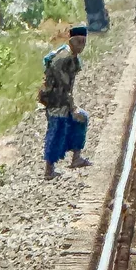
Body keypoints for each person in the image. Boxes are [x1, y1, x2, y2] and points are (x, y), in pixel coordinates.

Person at [39, 25, 91, 179]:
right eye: (78, 41)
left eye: (83, 42)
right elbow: (63, 85)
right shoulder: (64, 57)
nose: (81, 45)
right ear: (71, 41)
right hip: (55, 101)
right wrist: (72, 107)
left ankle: (76, 157)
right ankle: (49, 169)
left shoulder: (72, 57)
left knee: (80, 120)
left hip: (63, 100)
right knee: (57, 130)